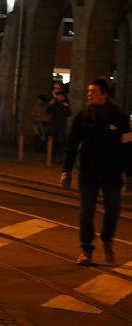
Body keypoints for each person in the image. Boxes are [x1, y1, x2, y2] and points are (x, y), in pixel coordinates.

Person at [61, 78, 132, 266]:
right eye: (89, 91)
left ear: (104, 94)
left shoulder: (120, 118)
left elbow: (127, 146)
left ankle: (107, 239)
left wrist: (129, 173)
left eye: (94, 91)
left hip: (112, 173)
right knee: (86, 213)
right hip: (88, 173)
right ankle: (86, 249)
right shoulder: (83, 117)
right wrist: (66, 170)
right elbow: (71, 146)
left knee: (113, 211)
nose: (89, 94)